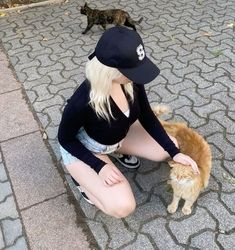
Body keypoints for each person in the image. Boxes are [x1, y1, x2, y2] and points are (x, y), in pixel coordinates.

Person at [58, 26, 199, 218]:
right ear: (111, 70)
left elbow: (147, 116)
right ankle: (83, 179)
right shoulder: (82, 101)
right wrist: (99, 167)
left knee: (169, 146)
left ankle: (114, 152)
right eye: (132, 70)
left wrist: (175, 153)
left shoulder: (130, 81)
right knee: (122, 206)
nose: (138, 75)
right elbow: (65, 140)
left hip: (115, 137)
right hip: (86, 147)